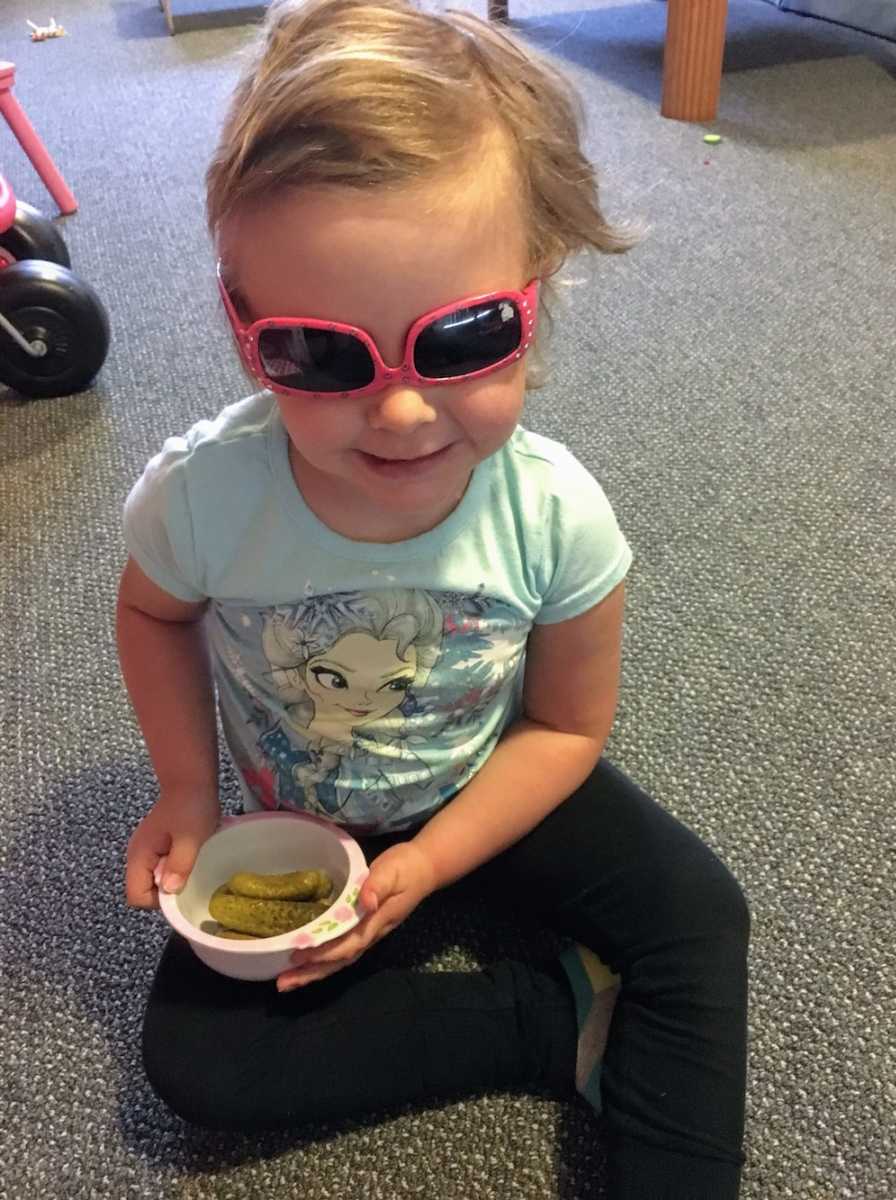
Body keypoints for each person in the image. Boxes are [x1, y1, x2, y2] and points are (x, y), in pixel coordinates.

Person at [117, 1, 749, 1195]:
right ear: (245, 332)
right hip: (302, 813)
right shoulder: (201, 496)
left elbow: (565, 727)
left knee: (701, 917)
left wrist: (445, 857)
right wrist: (188, 785)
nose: (402, 411)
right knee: (198, 1066)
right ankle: (544, 1022)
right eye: (323, 354)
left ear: (536, 295)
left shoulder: (557, 514)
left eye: (461, 339)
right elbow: (150, 611)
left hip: (487, 773)